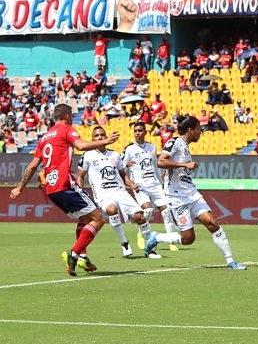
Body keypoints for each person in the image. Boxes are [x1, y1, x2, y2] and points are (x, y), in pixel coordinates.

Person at [9, 104, 119, 276]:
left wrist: (20, 187)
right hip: (66, 184)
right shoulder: (66, 129)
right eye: (72, 115)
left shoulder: (44, 138)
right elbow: (80, 146)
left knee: (85, 218)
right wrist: (105, 141)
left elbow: (32, 166)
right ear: (67, 115)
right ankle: (74, 254)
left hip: (52, 190)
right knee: (98, 219)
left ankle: (82, 256)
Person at [144, 116, 246, 270]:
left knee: (212, 223)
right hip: (177, 198)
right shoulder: (174, 142)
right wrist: (185, 164)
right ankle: (157, 237)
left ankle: (231, 262)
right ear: (190, 130)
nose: (201, 132)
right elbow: (161, 161)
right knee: (188, 239)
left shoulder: (185, 146)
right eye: (199, 129)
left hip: (192, 194)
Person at [77, 126, 158, 259]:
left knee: (140, 217)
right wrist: (80, 193)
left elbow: (122, 175)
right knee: (112, 209)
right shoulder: (87, 155)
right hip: (103, 194)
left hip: (120, 192)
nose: (100, 137)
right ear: (92, 139)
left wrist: (131, 184)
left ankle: (151, 249)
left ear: (106, 136)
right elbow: (80, 176)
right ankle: (124, 243)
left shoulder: (115, 155)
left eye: (102, 134)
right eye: (96, 135)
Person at [122, 121, 180, 252]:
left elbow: (156, 167)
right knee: (148, 210)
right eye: (135, 131)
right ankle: (141, 233)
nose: (137, 133)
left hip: (154, 185)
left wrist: (162, 183)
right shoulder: (129, 149)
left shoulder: (152, 147)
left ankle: (171, 241)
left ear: (145, 132)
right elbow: (121, 168)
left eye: (140, 130)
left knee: (166, 212)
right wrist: (130, 182)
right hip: (140, 186)